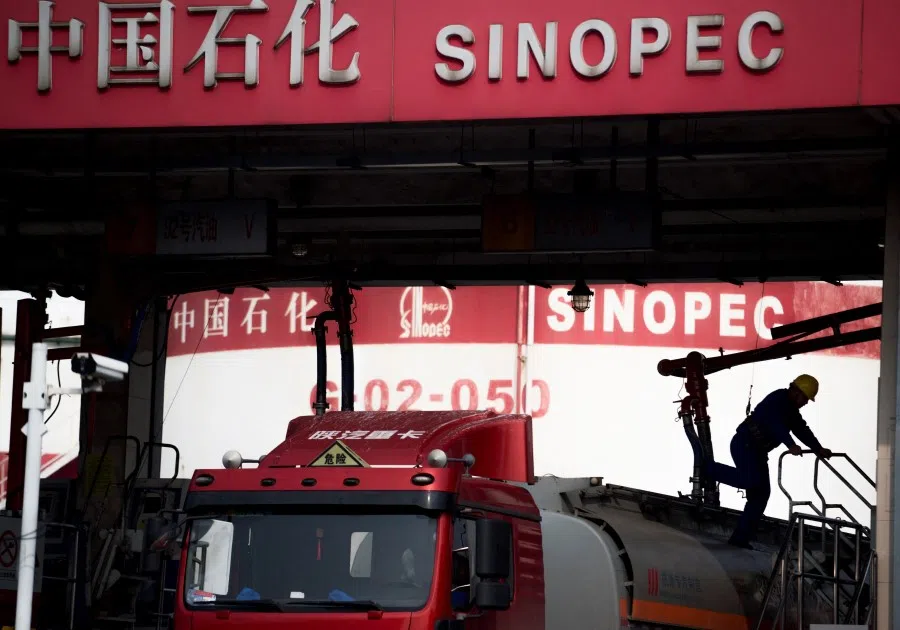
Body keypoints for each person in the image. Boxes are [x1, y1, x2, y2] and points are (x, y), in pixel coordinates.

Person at [706, 375, 833, 549]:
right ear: (798, 393)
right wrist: (790, 444)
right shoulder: (778, 400)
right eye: (806, 398)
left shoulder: (791, 411)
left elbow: (802, 429)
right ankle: (708, 470)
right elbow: (775, 424)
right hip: (745, 443)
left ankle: (740, 539)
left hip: (756, 451)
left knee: (760, 495)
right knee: (749, 480)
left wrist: (818, 448)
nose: (806, 403)